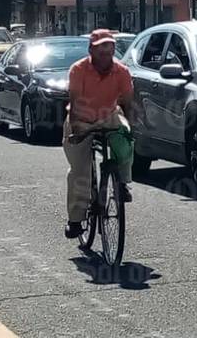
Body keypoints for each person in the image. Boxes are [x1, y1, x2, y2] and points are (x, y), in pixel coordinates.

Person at [63, 28, 135, 239]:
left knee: (125, 141)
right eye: (101, 51)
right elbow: (75, 102)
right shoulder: (78, 69)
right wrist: (77, 131)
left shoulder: (121, 71)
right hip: (81, 118)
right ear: (91, 51)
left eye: (110, 51)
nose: (106, 56)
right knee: (80, 172)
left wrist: (130, 126)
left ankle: (122, 182)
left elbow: (128, 102)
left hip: (108, 115)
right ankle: (76, 219)